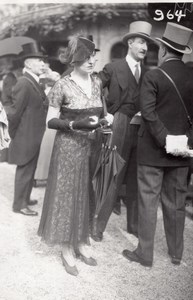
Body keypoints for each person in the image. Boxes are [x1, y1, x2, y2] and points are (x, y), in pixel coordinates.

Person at [37, 35, 112, 277]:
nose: (92, 61)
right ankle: (67, 248)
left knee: (86, 193)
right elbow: (50, 120)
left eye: (93, 56)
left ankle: (81, 242)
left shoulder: (98, 82)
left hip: (92, 145)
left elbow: (98, 111)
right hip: (68, 147)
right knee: (68, 195)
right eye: (87, 57)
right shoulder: (62, 85)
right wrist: (73, 124)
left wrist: (104, 120)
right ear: (75, 59)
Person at [122, 22, 193, 267]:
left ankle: (145, 254)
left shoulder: (153, 76)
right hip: (183, 151)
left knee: (148, 201)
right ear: (182, 51)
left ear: (163, 49)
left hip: (153, 151)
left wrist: (165, 141)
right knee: (176, 204)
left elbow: (148, 114)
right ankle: (176, 253)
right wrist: (183, 143)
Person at [92, 21, 155, 241]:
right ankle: (97, 226)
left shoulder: (148, 73)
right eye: (140, 42)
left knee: (137, 177)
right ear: (130, 43)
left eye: (146, 43)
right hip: (119, 124)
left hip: (141, 130)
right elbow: (93, 88)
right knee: (112, 175)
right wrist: (104, 114)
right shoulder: (113, 67)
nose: (144, 47)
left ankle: (133, 226)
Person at [7, 50, 47, 216]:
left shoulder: (34, 80)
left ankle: (25, 198)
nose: (43, 64)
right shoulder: (24, 82)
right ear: (28, 64)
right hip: (26, 134)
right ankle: (19, 204)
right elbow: (15, 112)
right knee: (25, 168)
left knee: (30, 167)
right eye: (39, 61)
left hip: (33, 134)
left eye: (43, 61)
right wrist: (14, 133)